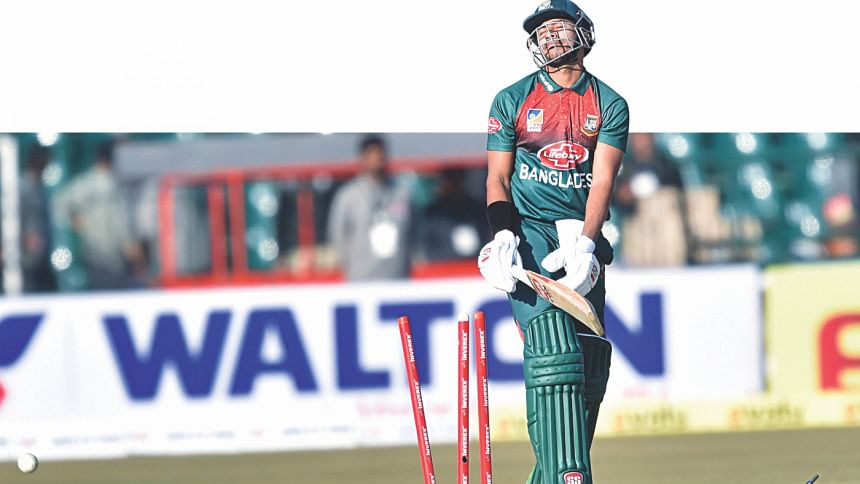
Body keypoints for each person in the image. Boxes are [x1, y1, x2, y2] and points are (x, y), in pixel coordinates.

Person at [477, 2, 629, 483]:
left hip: (580, 234)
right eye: (541, 33)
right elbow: (497, 178)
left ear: (583, 34)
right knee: (553, 348)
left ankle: (553, 477)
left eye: (558, 29)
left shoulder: (609, 103)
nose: (549, 39)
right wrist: (503, 234)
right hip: (529, 233)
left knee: (588, 361)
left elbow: (602, 180)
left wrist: (586, 243)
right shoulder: (512, 99)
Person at [55, 140, 145, 290]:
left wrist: (129, 244)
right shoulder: (89, 183)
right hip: (98, 255)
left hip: (118, 257)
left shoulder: (117, 182)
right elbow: (59, 203)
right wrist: (74, 220)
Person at [327, 135, 414, 280]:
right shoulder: (348, 197)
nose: (376, 159)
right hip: (361, 279)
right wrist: (350, 268)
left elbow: (415, 232)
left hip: (397, 277)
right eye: (371, 154)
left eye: (379, 154)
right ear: (362, 158)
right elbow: (338, 236)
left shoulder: (401, 194)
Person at [418, 168, 487, 261]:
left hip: (477, 266)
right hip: (444, 268)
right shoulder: (433, 214)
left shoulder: (478, 210)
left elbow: (487, 240)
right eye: (451, 179)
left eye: (458, 178)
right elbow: (427, 249)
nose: (455, 183)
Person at [19, 143, 57, 292]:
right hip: (24, 257)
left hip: (39, 255)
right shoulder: (22, 187)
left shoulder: (38, 187)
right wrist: (23, 237)